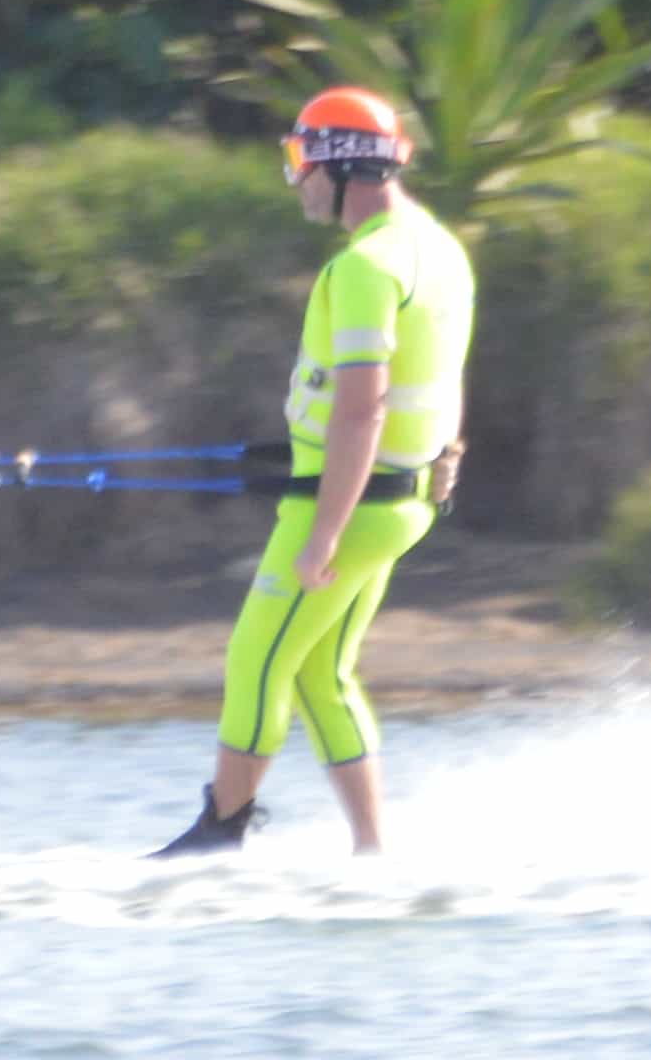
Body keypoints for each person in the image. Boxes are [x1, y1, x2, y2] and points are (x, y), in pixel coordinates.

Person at [155, 84, 473, 857]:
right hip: (401, 501)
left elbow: (363, 410)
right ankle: (373, 851)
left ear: (338, 165)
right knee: (321, 671)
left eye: (299, 158)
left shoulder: (363, 268)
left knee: (256, 658)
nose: (294, 176)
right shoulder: (438, 247)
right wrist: (446, 453)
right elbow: (446, 370)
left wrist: (323, 534)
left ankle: (218, 836)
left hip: (349, 508)